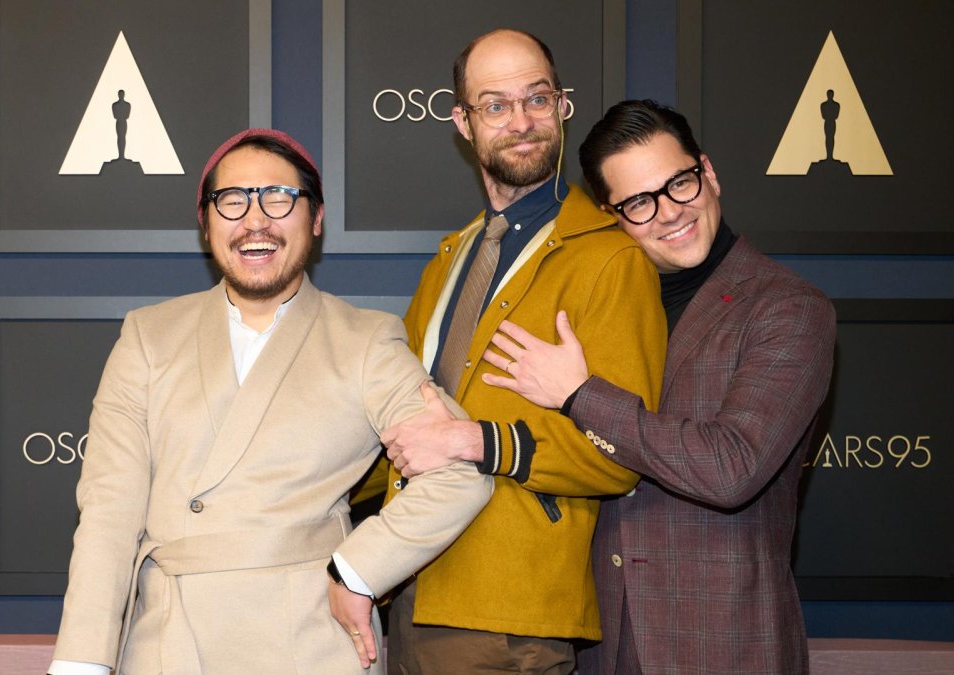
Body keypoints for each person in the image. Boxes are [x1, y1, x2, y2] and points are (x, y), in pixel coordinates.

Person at [48, 129, 492, 675]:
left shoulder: (364, 340)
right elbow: (109, 510)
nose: (255, 221)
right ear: (205, 221)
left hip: (309, 643)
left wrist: (357, 570)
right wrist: (81, 660)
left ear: (317, 218)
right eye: (232, 201)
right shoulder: (149, 335)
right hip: (168, 644)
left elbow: (458, 471)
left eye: (279, 197)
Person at [482, 99, 836, 674]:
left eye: (681, 184)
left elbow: (732, 467)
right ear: (611, 215)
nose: (670, 212)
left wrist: (580, 395)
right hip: (600, 641)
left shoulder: (788, 308)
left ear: (709, 173)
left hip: (722, 642)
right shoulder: (602, 307)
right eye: (640, 203)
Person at [380, 29, 666, 674]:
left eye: (537, 99)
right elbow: (400, 422)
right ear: (463, 122)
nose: (522, 121)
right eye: (496, 105)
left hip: (512, 618)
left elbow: (621, 455)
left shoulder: (611, 258)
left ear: (562, 105)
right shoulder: (452, 257)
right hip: (410, 592)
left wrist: (473, 440)